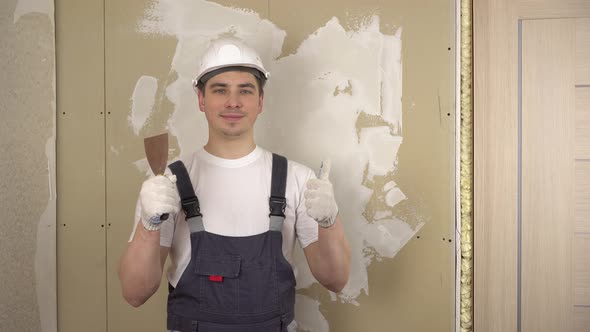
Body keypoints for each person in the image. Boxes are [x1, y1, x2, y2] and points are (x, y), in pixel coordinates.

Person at [118, 37, 351, 332]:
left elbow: (336, 279)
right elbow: (134, 293)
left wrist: (329, 223)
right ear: (201, 99)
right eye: (220, 90)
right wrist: (149, 225)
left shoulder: (298, 179)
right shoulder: (167, 185)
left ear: (260, 101)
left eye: (245, 90)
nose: (233, 102)